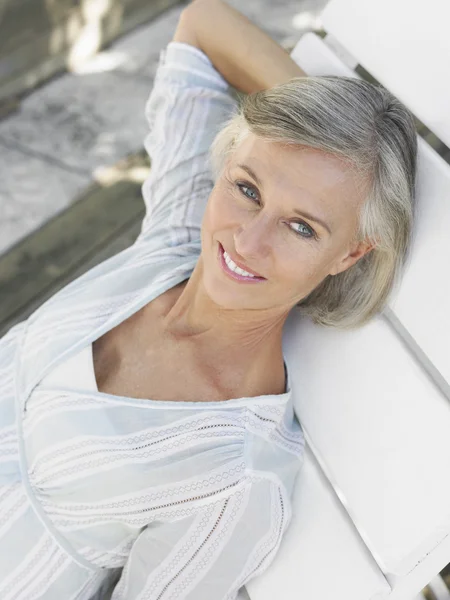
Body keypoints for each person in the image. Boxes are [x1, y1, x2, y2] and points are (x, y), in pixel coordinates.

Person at [0, 0, 417, 598]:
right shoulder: (177, 237)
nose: (246, 242)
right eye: (247, 187)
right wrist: (345, 145)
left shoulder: (234, 479)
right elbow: (202, 26)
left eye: (303, 227)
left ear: (351, 253)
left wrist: (361, 170)